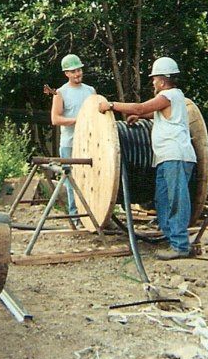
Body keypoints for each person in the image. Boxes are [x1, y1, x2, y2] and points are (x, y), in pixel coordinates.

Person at [98, 57, 196, 260]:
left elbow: (140, 107)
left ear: (162, 80)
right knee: (162, 199)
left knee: (176, 200)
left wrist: (111, 105)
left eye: (154, 79)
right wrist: (142, 118)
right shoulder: (171, 100)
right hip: (164, 158)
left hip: (176, 156)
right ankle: (173, 241)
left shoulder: (170, 95)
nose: (152, 83)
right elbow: (155, 114)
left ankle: (180, 245)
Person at [49, 54, 96, 217]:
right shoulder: (60, 93)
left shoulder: (90, 91)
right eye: (74, 71)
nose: (78, 74)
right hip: (70, 144)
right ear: (66, 73)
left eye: (79, 70)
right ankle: (75, 216)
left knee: (90, 180)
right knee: (72, 182)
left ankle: (92, 215)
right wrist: (78, 120)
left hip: (90, 143)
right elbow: (55, 119)